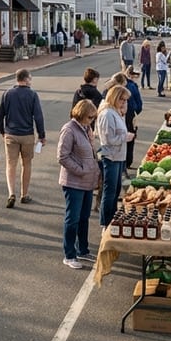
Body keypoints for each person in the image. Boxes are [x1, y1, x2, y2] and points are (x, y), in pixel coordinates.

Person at [58, 99, 100, 269]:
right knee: (72, 218)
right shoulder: (69, 130)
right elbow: (62, 156)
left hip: (87, 181)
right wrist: (81, 170)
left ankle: (83, 249)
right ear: (81, 115)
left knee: (84, 217)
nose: (92, 120)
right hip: (74, 182)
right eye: (90, 117)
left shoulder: (86, 128)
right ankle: (69, 254)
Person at [0, 68, 45, 208]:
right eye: (30, 78)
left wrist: (2, 130)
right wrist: (41, 135)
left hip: (11, 133)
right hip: (27, 134)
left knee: (11, 164)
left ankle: (11, 193)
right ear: (26, 79)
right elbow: (38, 117)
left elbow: (0, 115)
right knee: (26, 164)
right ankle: (24, 194)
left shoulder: (7, 94)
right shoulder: (32, 95)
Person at [96, 84, 134, 228]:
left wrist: (123, 113)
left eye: (126, 100)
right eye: (122, 100)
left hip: (118, 156)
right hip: (110, 156)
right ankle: (106, 223)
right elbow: (108, 139)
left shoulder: (116, 112)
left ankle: (112, 219)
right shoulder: (107, 114)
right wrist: (126, 137)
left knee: (116, 189)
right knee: (110, 191)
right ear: (114, 98)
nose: (124, 103)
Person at [123, 67, 143, 170]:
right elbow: (139, 102)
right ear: (132, 75)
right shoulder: (132, 86)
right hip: (130, 114)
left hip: (123, 114)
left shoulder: (124, 84)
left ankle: (124, 162)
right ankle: (128, 161)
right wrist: (137, 111)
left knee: (123, 137)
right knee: (130, 137)